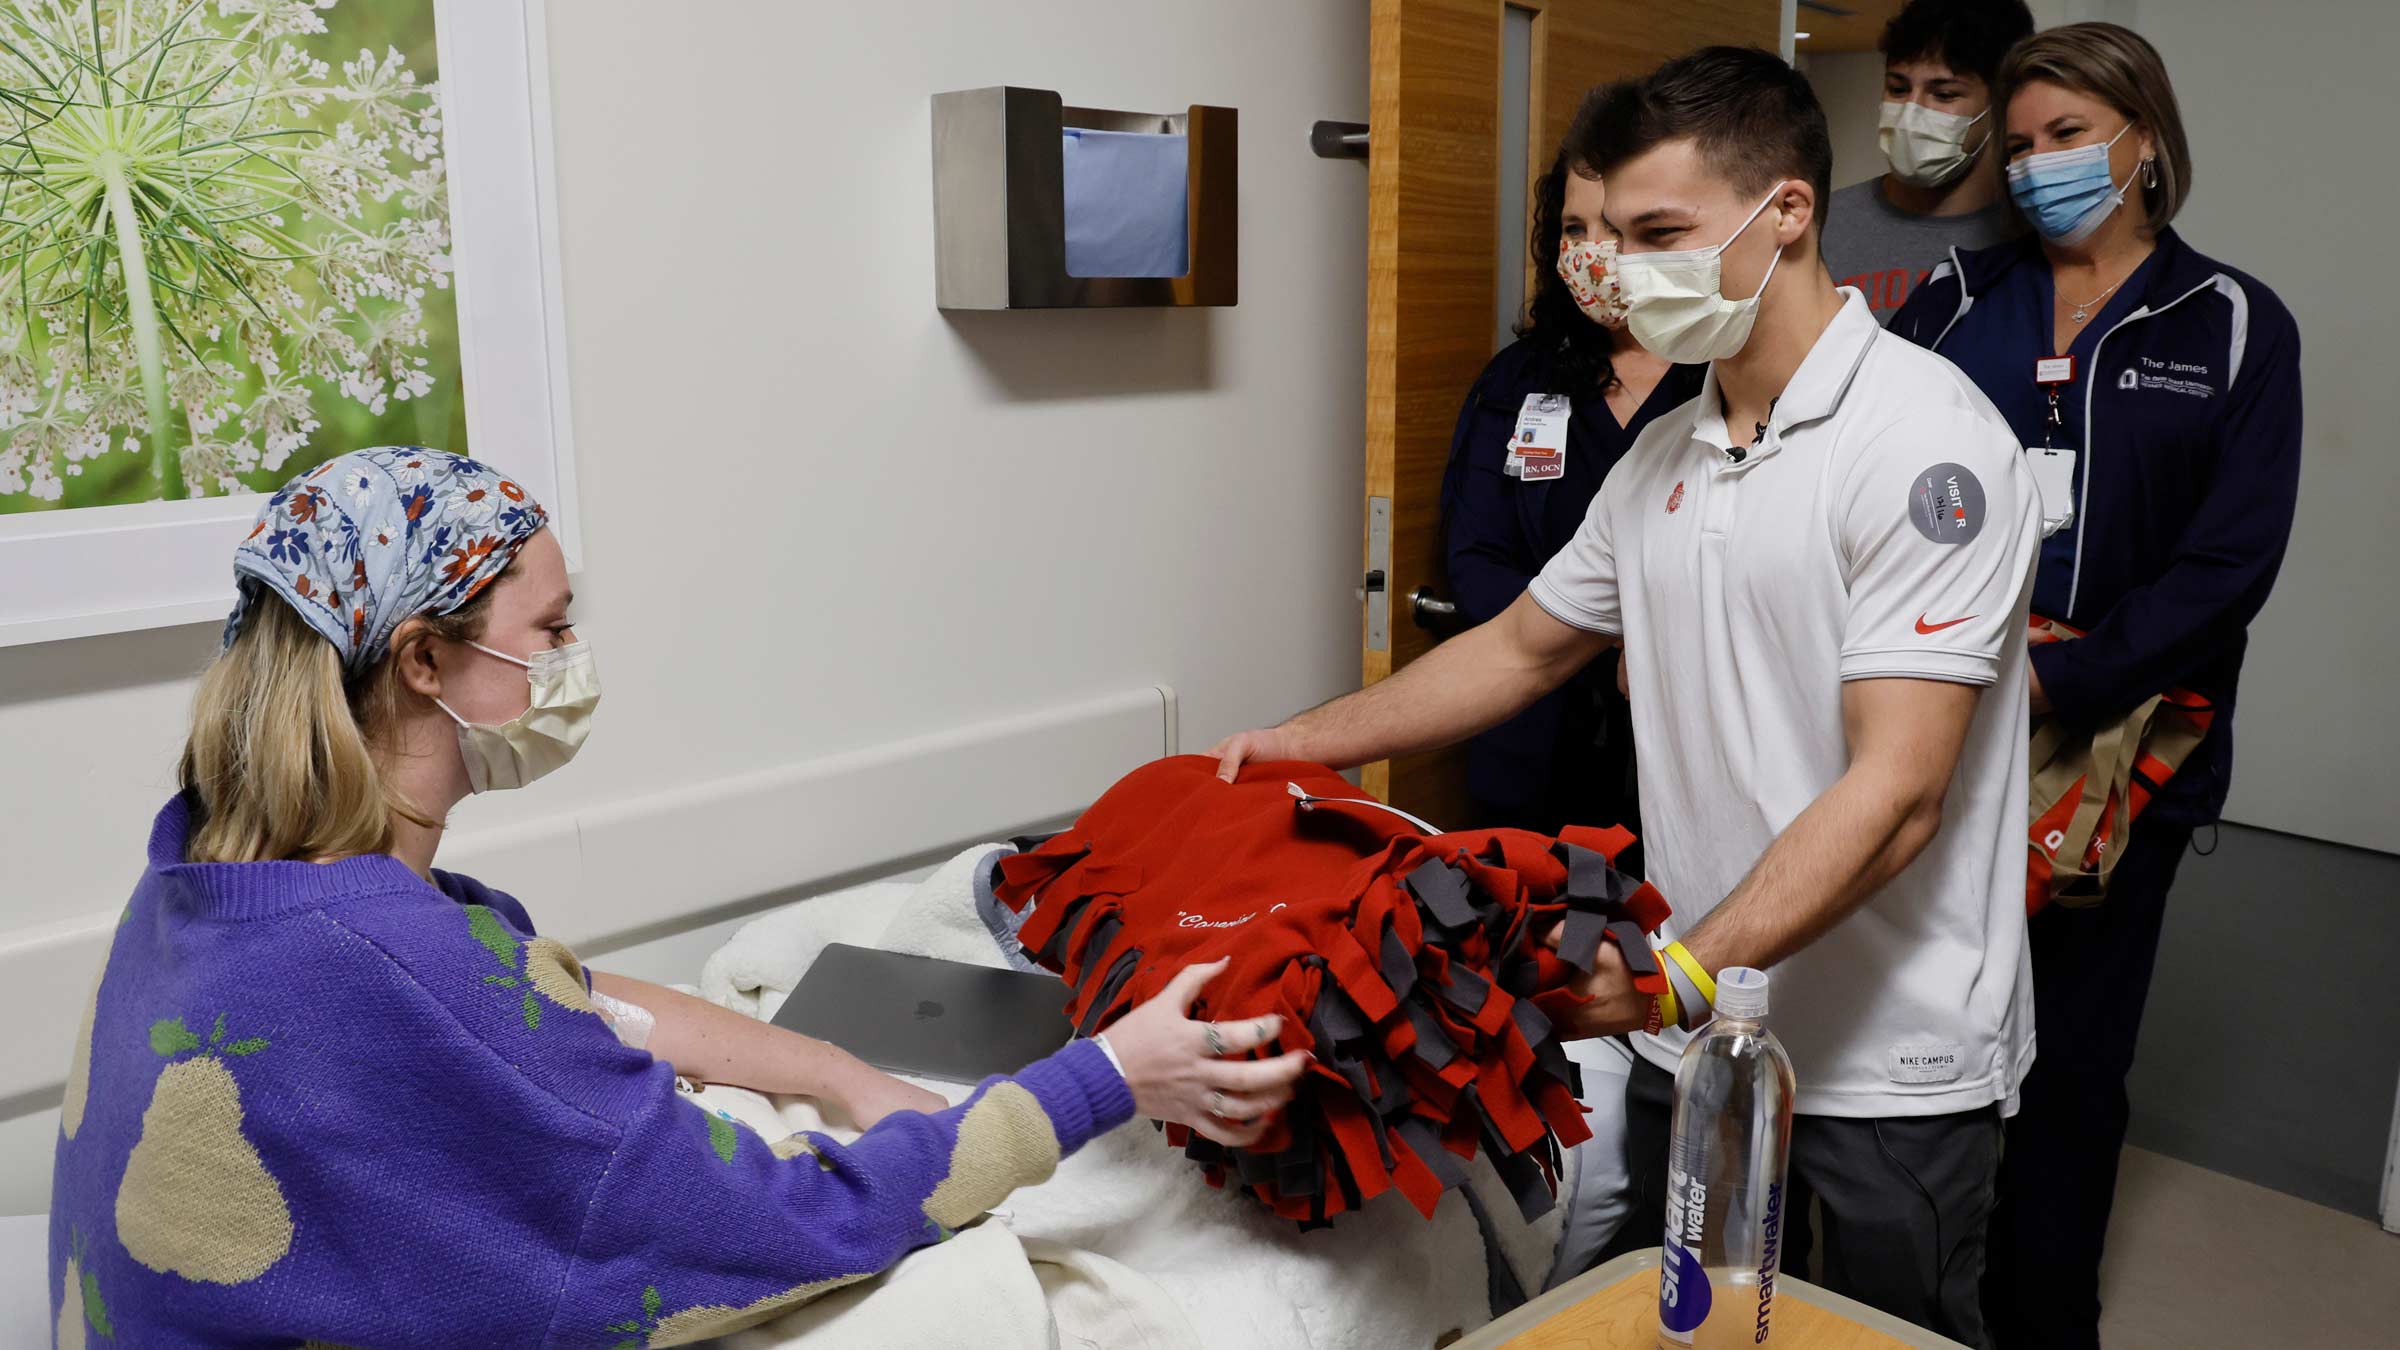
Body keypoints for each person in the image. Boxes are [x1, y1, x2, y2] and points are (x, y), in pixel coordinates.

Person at [47, 448, 1308, 1345]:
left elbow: (553, 991)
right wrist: (1109, 1075)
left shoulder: (208, 874)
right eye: (549, 631)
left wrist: (831, 1067)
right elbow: (803, 1218)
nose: (571, 661)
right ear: (425, 660)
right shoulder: (391, 964)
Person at [1214, 49, 2042, 1341]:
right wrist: (1289, 746)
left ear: (1787, 214)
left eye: (1660, 234)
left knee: (1885, 1333)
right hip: (1703, 1032)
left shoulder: (1927, 445)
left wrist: (1674, 973)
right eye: (1606, 234)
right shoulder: (1666, 449)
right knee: (1693, 1326)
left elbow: (1898, 794)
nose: (1621, 269)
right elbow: (1520, 649)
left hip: (1890, 1052)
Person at [1889, 25, 2302, 1348]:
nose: (2036, 164)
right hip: (1936, 722)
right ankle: (1905, 1309)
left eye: (2067, 136)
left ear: (2145, 141)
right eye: (2018, 143)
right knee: (1912, 1047)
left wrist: (2067, 673)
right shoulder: (1953, 299)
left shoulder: (2231, 322)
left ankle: (2044, 1319)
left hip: (2123, 753)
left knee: (2068, 1065)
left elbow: (2229, 562)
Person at [1440, 84, 1705, 846]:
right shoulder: (1521, 379)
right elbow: (1476, 552)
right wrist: (1581, 638)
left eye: (1617, 229)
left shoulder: (1726, 374)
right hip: (1533, 732)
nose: (1595, 251)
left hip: (1679, 727)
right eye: (1573, 228)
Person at [1819, 0, 2034, 322]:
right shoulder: (1822, 224)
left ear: (2002, 102)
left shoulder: (2031, 235)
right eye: (1897, 88)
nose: (1911, 112)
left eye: (1944, 94)